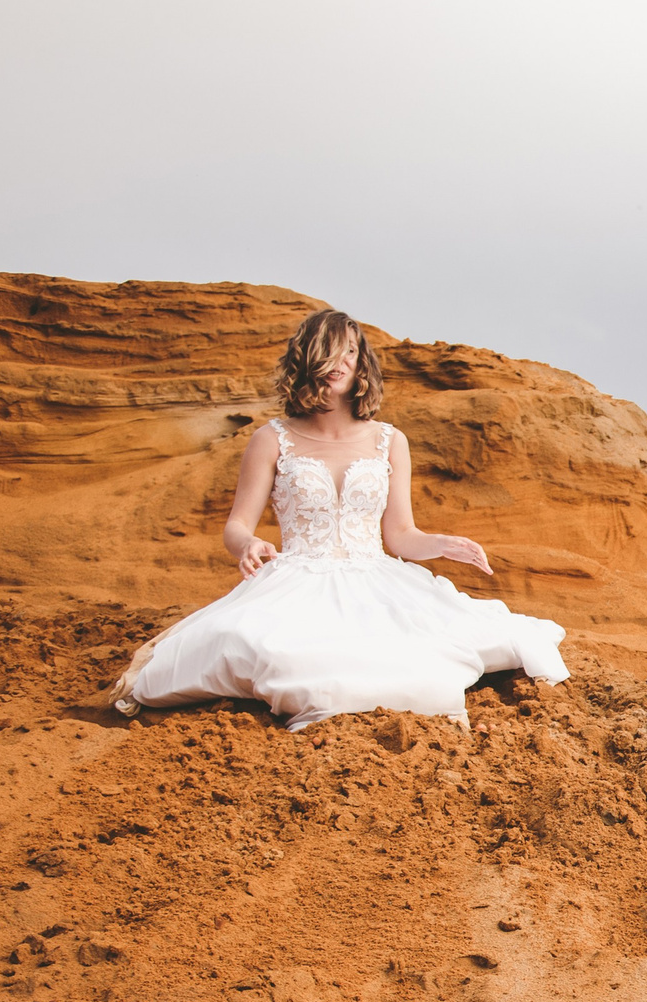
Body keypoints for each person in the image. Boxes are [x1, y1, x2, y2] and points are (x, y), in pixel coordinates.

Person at [108, 309, 569, 730]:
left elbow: (401, 536)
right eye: (329, 349)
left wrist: (441, 543)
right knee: (264, 649)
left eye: (350, 350)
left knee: (431, 652)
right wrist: (247, 544)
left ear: (361, 361)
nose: (341, 360)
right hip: (295, 578)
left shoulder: (390, 441)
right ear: (308, 358)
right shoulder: (272, 439)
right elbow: (236, 526)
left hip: (375, 575)